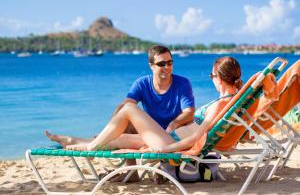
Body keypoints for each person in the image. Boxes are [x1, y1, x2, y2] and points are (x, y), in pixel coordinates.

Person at [48, 45, 196, 182]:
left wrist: (174, 123)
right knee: (125, 115)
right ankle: (129, 171)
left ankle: (90, 145)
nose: (167, 67)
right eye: (161, 64)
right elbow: (124, 106)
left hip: (170, 137)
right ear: (151, 66)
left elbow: (189, 113)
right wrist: (110, 129)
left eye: (170, 62)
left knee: (128, 110)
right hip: (151, 135)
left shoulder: (182, 83)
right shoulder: (142, 83)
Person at [46, 56, 242, 155]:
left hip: (169, 143)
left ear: (221, 78)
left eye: (212, 75)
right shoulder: (229, 101)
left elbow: (195, 140)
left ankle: (89, 147)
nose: (211, 79)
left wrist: (162, 151)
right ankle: (71, 142)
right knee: (118, 139)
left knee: (129, 109)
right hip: (169, 138)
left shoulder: (221, 105)